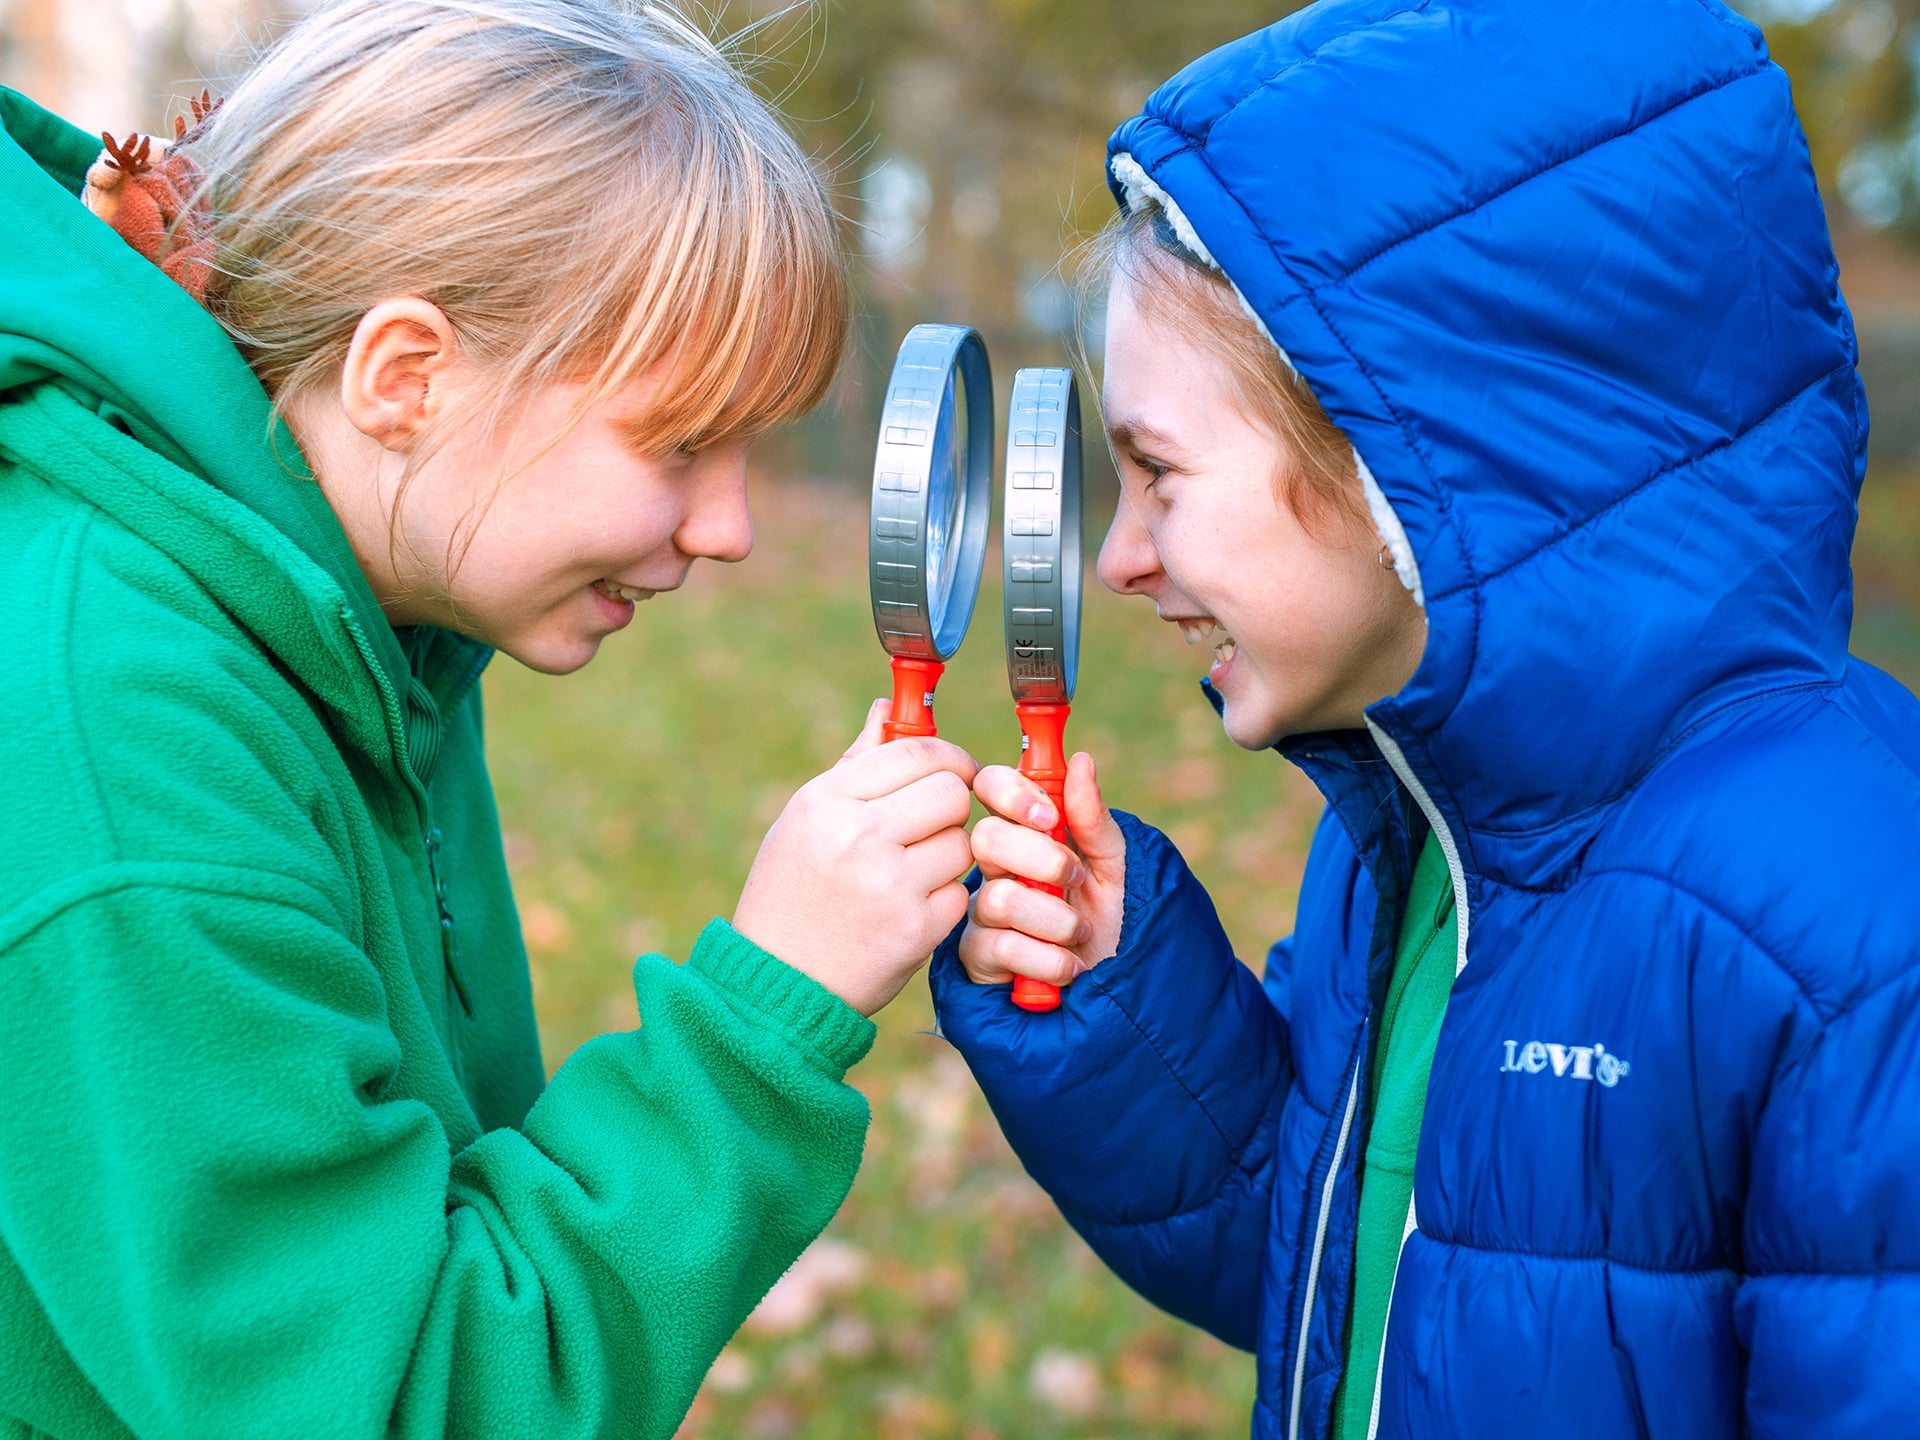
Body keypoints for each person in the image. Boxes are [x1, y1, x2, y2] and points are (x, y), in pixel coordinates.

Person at [932, 1, 1920, 1436]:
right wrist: (1118, 1002)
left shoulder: (1848, 920)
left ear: (1411, 463)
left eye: (1161, 475)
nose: (1120, 557)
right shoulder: (1429, 836)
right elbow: (1361, 1268)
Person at [0, 2, 978, 1436]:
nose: (733, 531)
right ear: (408, 377)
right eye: (683, 442)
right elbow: (398, 1398)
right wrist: (770, 1010)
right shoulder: (131, 741)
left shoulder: (361, 604)